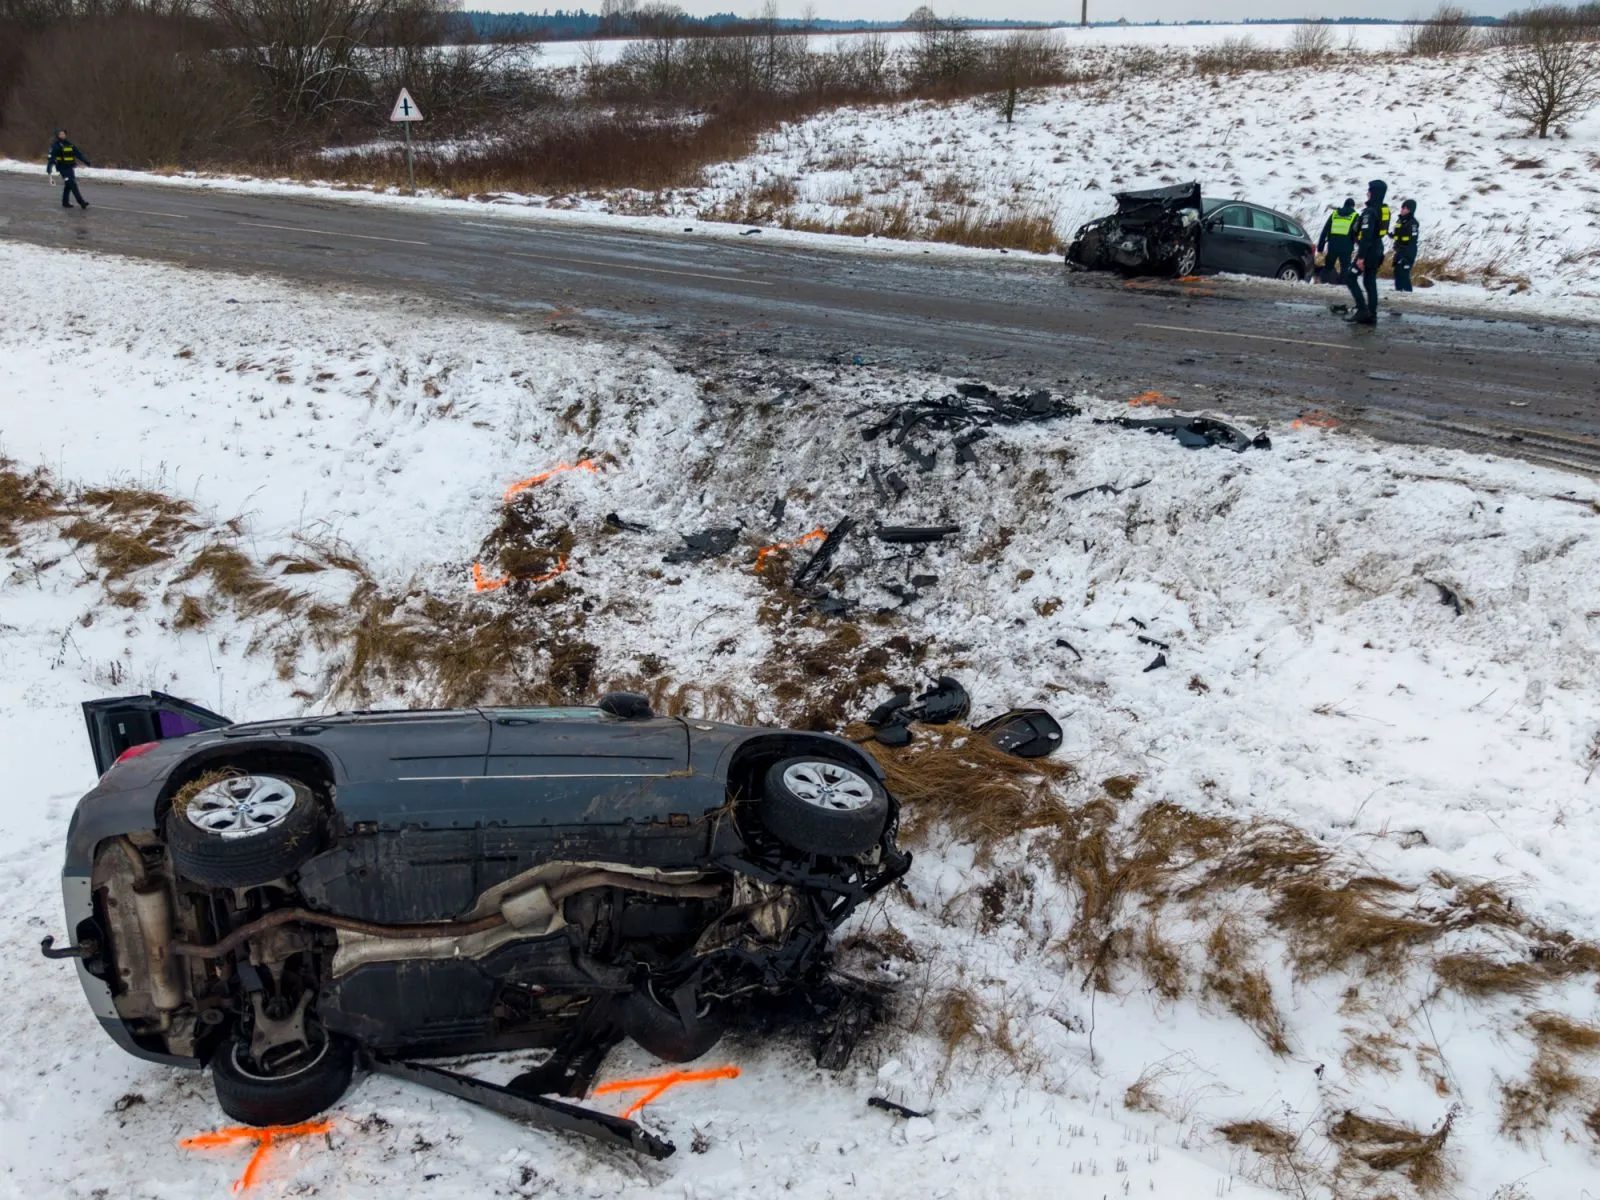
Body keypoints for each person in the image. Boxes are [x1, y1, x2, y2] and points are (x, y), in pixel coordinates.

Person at [1346, 179, 1388, 325]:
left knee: (1350, 277)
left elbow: (1366, 237)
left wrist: (1361, 257)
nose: (1367, 193)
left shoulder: (1370, 212)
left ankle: (1362, 310)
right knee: (1369, 281)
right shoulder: (1382, 210)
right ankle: (1371, 314)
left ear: (1373, 193)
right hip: (1378, 250)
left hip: (1369, 251)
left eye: (1369, 191)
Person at [46, 129, 92, 210]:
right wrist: (49, 170)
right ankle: (81, 202)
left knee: (68, 185)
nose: (62, 135)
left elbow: (78, 154)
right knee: (72, 184)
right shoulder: (55, 146)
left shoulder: (69, 144)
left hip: (70, 167)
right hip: (62, 168)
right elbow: (51, 159)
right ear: (57, 135)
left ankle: (65, 202)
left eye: (63, 134)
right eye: (60, 134)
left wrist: (86, 161)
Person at [1317, 198, 1358, 285]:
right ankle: (1341, 285)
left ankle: (1323, 283)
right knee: (1345, 268)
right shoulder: (1355, 215)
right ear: (1353, 206)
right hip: (1346, 247)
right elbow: (1357, 232)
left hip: (1333, 246)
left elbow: (1325, 230)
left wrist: (1320, 246)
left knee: (1328, 267)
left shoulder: (1335, 214)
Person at [1391, 199, 1419, 293]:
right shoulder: (1400, 220)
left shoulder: (1413, 223)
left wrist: (1407, 255)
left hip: (1408, 251)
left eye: (1404, 208)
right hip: (1399, 250)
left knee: (1404, 273)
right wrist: (1392, 236)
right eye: (1402, 207)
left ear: (1409, 210)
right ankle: (1398, 292)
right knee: (1397, 272)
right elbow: (1398, 235)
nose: (1401, 210)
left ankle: (1408, 293)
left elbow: (1412, 240)